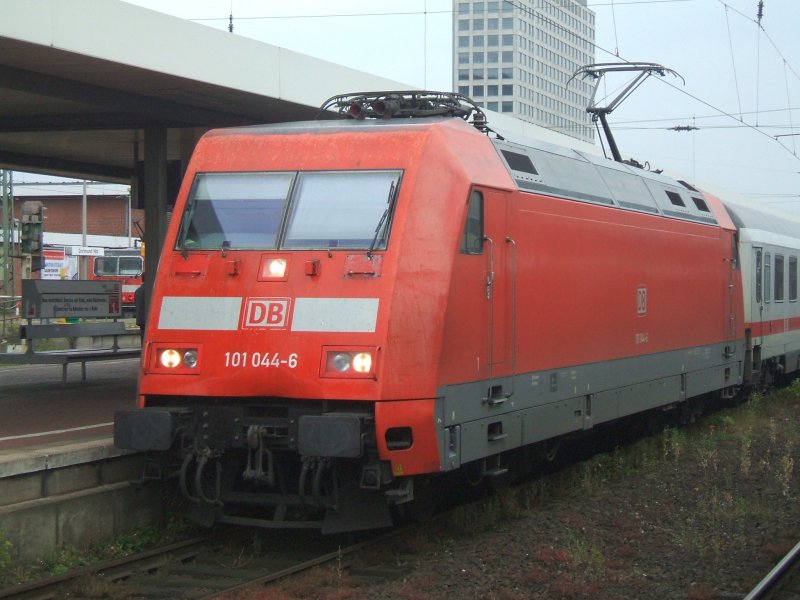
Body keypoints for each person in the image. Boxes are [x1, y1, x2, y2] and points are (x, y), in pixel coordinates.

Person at [134, 272, 146, 345]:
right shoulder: (151, 290)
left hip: (141, 318)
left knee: (143, 337)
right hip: (149, 319)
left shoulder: (138, 291)